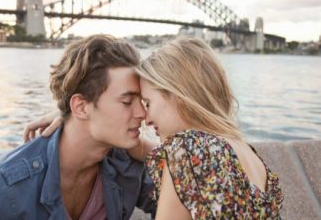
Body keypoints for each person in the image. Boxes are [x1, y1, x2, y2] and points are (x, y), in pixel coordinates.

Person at [30, 37, 284, 219]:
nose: (145, 117)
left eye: (148, 103)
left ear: (178, 96)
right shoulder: (242, 151)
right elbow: (144, 151)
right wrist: (77, 116)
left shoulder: (187, 151)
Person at [0, 34, 156, 220]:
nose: (143, 113)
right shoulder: (0, 192)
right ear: (80, 107)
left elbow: (184, 194)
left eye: (143, 101)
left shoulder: (126, 163)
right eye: (127, 101)